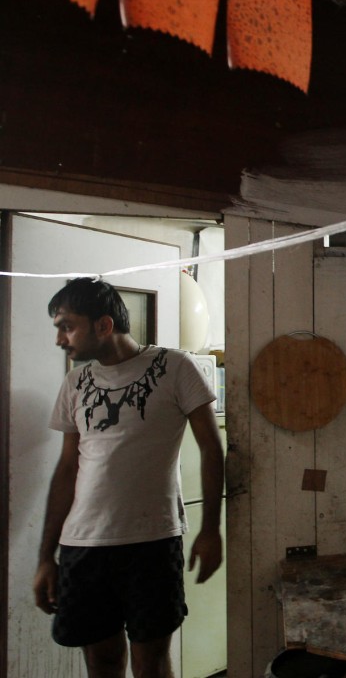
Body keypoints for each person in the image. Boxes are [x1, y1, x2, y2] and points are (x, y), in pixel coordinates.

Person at [32, 277, 225, 678]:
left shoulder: (175, 367)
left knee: (150, 663)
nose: (59, 339)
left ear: (103, 325)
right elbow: (68, 469)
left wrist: (211, 530)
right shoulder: (76, 383)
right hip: (83, 546)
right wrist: (45, 556)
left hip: (151, 542)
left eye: (67, 326)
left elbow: (211, 448)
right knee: (101, 662)